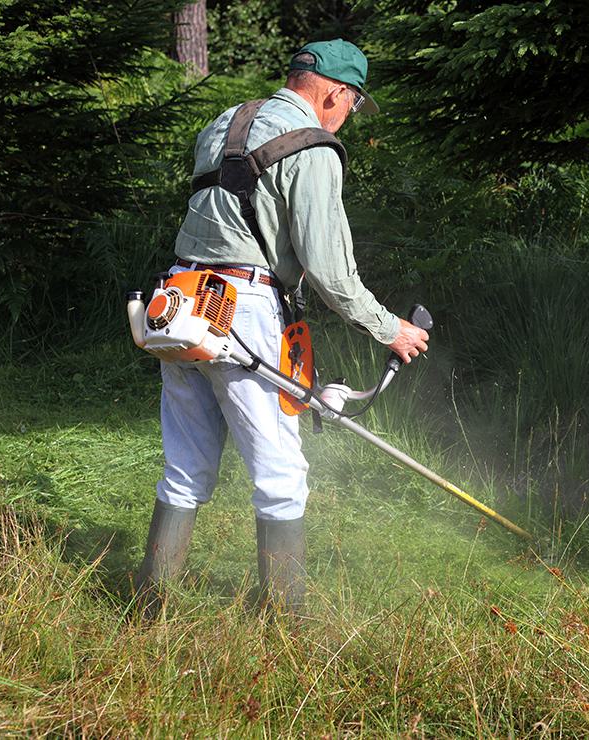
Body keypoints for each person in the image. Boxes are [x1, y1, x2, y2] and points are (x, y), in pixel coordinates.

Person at [135, 39, 429, 617]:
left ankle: (151, 604)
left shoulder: (225, 122)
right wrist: (388, 329)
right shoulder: (313, 147)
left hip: (178, 298)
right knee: (281, 470)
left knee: (186, 460)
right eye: (351, 103)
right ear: (335, 93)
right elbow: (329, 268)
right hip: (241, 305)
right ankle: (285, 622)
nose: (347, 115)